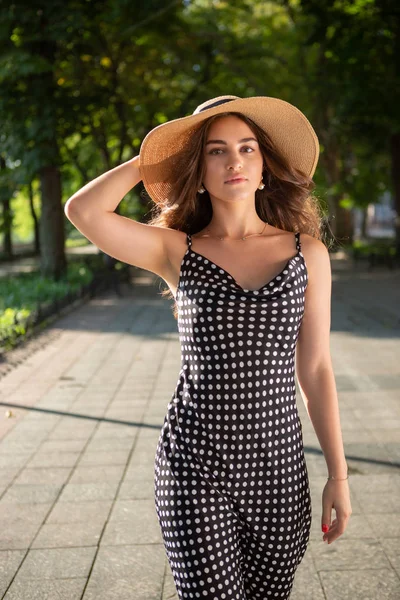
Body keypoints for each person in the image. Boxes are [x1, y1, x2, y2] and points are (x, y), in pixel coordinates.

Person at [65, 94, 352, 600]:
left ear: (265, 166)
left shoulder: (308, 253)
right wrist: (154, 158)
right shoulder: (175, 250)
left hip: (279, 471)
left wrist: (338, 474)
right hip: (194, 464)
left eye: (246, 148)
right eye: (216, 151)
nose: (234, 161)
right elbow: (83, 209)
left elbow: (316, 370)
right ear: (197, 171)